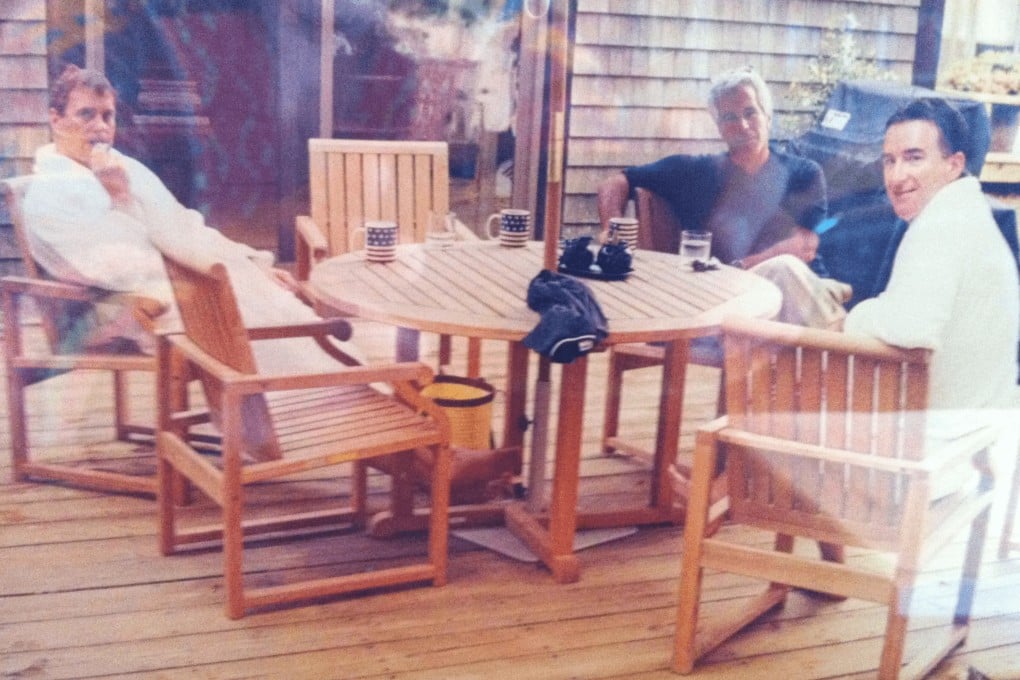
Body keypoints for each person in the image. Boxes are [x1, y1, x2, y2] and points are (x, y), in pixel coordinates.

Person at [22, 65, 363, 373]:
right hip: (128, 307)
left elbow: (183, 226)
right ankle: (293, 421)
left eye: (108, 116)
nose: (100, 128)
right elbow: (116, 268)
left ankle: (354, 397)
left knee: (279, 299)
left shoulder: (123, 167)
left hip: (180, 284)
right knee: (250, 316)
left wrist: (248, 263)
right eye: (86, 115)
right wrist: (121, 200)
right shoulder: (48, 194)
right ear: (56, 119)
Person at [597, 67, 825, 271]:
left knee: (784, 269)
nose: (742, 126)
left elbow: (802, 245)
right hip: (723, 295)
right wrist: (612, 231)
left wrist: (739, 269)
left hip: (798, 289)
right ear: (720, 128)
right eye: (729, 117)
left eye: (750, 113)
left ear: (768, 117)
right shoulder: (694, 173)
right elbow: (617, 182)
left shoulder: (803, 173)